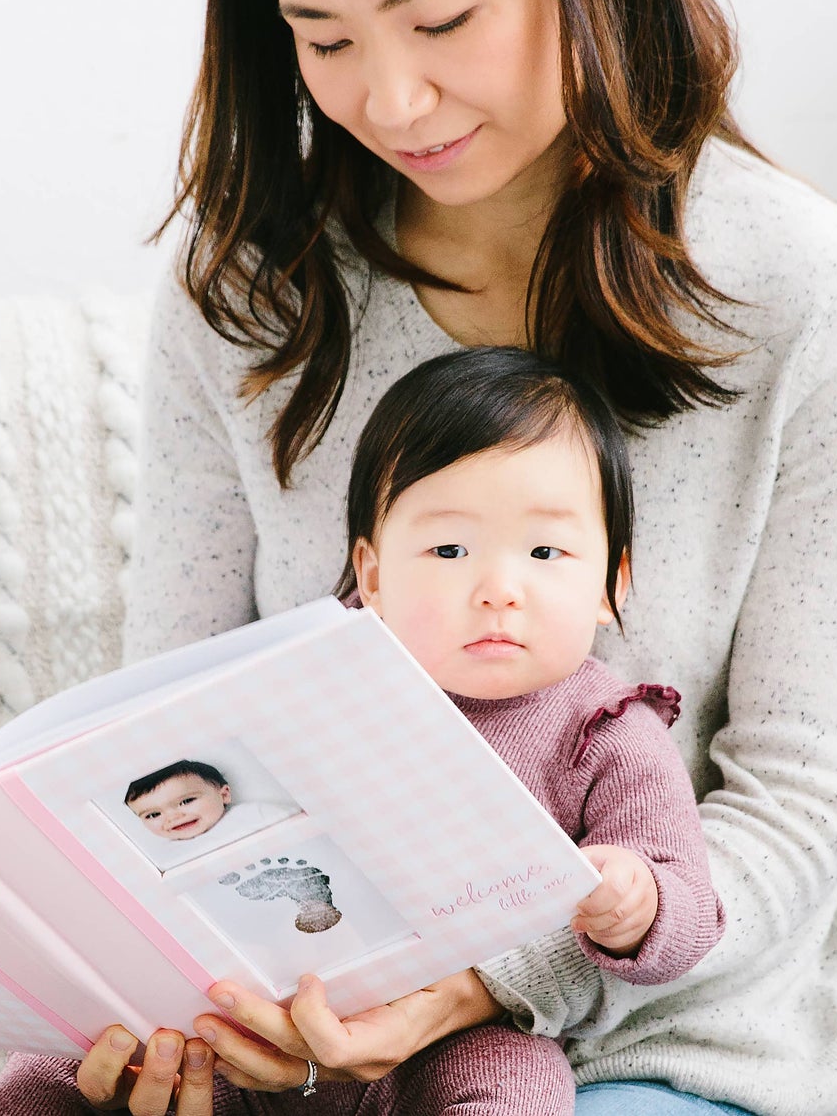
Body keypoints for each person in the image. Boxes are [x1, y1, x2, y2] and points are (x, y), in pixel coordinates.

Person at [0, 0, 837, 1115]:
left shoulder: (822, 301)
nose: (392, 98)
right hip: (292, 1015)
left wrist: (483, 985)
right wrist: (203, 996)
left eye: (439, 18)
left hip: (670, 1038)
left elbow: (783, 809)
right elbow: (165, 734)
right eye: (325, 38)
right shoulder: (250, 295)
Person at [337, 345, 724, 1113]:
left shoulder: (606, 731)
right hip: (272, 1014)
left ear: (609, 586)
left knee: (522, 1091)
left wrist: (637, 904)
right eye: (448, 550)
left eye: (545, 552)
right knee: (53, 1076)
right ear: (373, 576)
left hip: (470, 1033)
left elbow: (692, 909)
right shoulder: (328, 688)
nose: (497, 591)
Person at [123, 759, 298, 870]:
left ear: (224, 794)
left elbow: (303, 826)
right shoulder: (164, 859)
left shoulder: (253, 813)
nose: (173, 817)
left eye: (186, 801)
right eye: (153, 815)